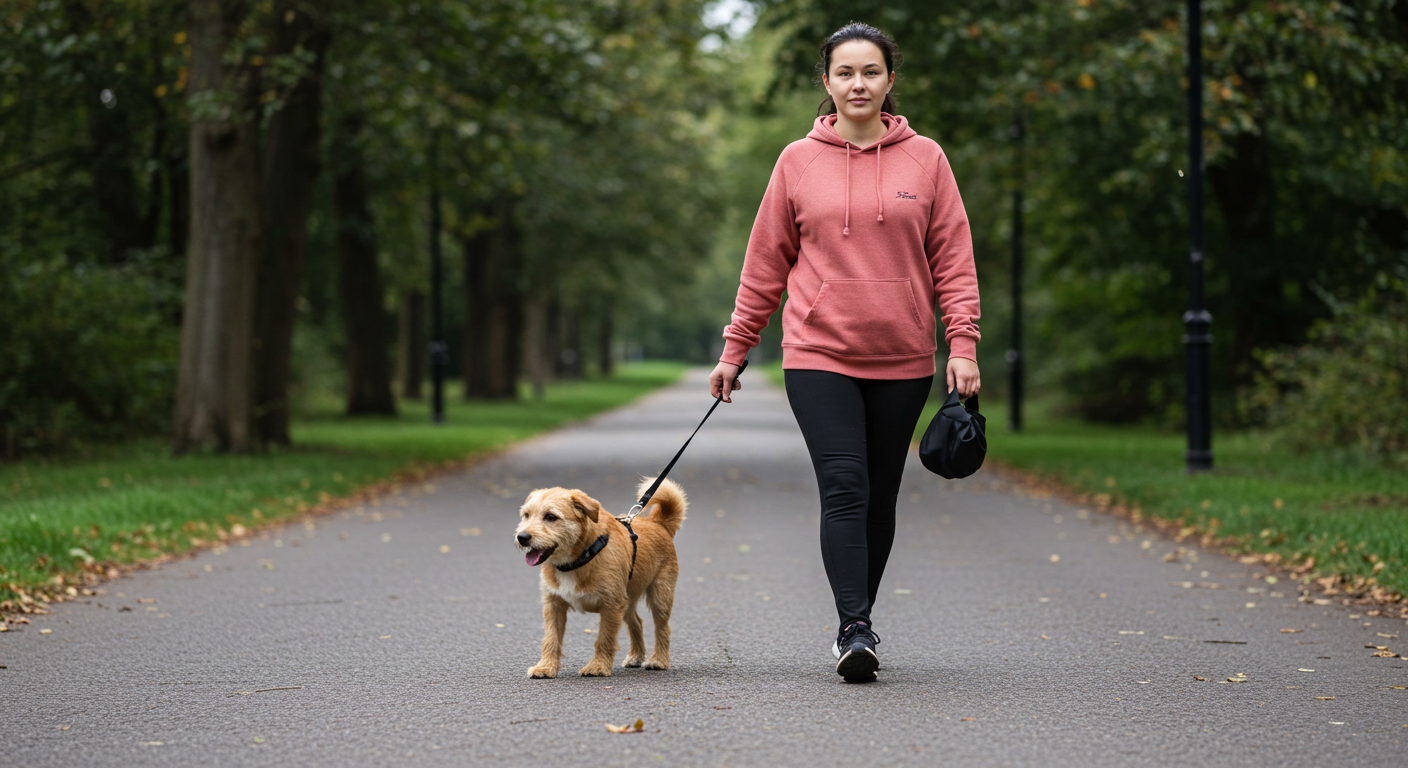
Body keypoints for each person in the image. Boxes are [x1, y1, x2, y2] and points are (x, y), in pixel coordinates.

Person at [709, 23, 981, 682]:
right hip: (817, 352)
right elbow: (765, 262)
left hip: (903, 354)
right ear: (826, 83)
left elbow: (953, 257)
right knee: (845, 486)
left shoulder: (927, 159)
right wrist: (736, 348)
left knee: (882, 496)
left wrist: (963, 342)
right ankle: (854, 625)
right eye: (844, 72)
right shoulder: (796, 161)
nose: (857, 84)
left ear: (890, 80)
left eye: (870, 72)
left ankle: (858, 615)